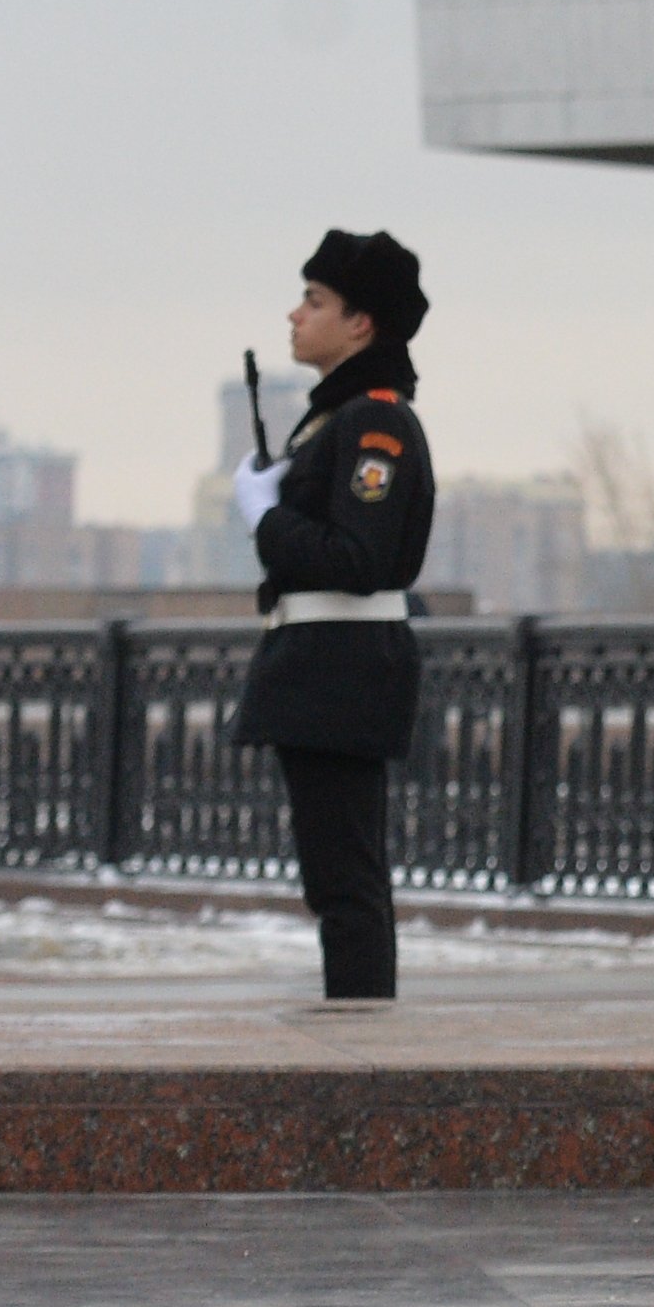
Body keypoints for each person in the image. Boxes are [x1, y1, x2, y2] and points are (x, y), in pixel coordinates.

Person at [227, 230, 441, 1003]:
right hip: (325, 664)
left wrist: (264, 517)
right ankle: (358, 1030)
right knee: (337, 878)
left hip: (341, 666)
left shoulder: (372, 423)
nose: (294, 315)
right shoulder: (337, 420)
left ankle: (363, 1043)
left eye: (314, 301)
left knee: (346, 883)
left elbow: (356, 559)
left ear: (360, 324)